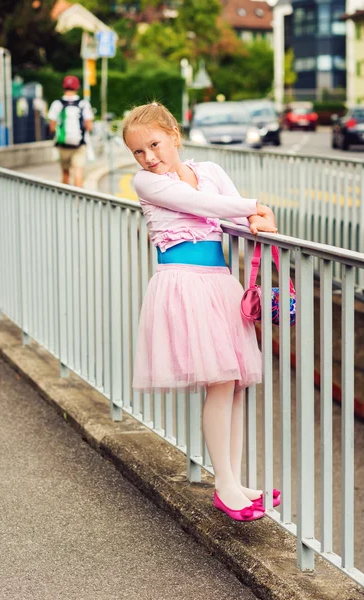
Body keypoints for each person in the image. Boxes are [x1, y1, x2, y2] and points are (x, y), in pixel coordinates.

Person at [123, 102, 279, 523]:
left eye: (154, 144)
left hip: (218, 283)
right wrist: (256, 207)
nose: (148, 157)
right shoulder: (146, 182)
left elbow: (230, 205)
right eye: (139, 151)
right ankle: (224, 487)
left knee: (236, 382)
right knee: (221, 380)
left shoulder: (209, 168)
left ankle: (235, 480)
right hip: (184, 283)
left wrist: (254, 214)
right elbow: (204, 205)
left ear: (173, 134)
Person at [48, 75, 94, 188]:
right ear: (77, 87)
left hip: (62, 145)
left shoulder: (56, 104)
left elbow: (52, 127)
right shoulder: (84, 103)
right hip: (79, 145)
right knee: (78, 173)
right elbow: (89, 126)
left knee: (65, 173)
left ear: (64, 87)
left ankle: (66, 201)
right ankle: (78, 201)